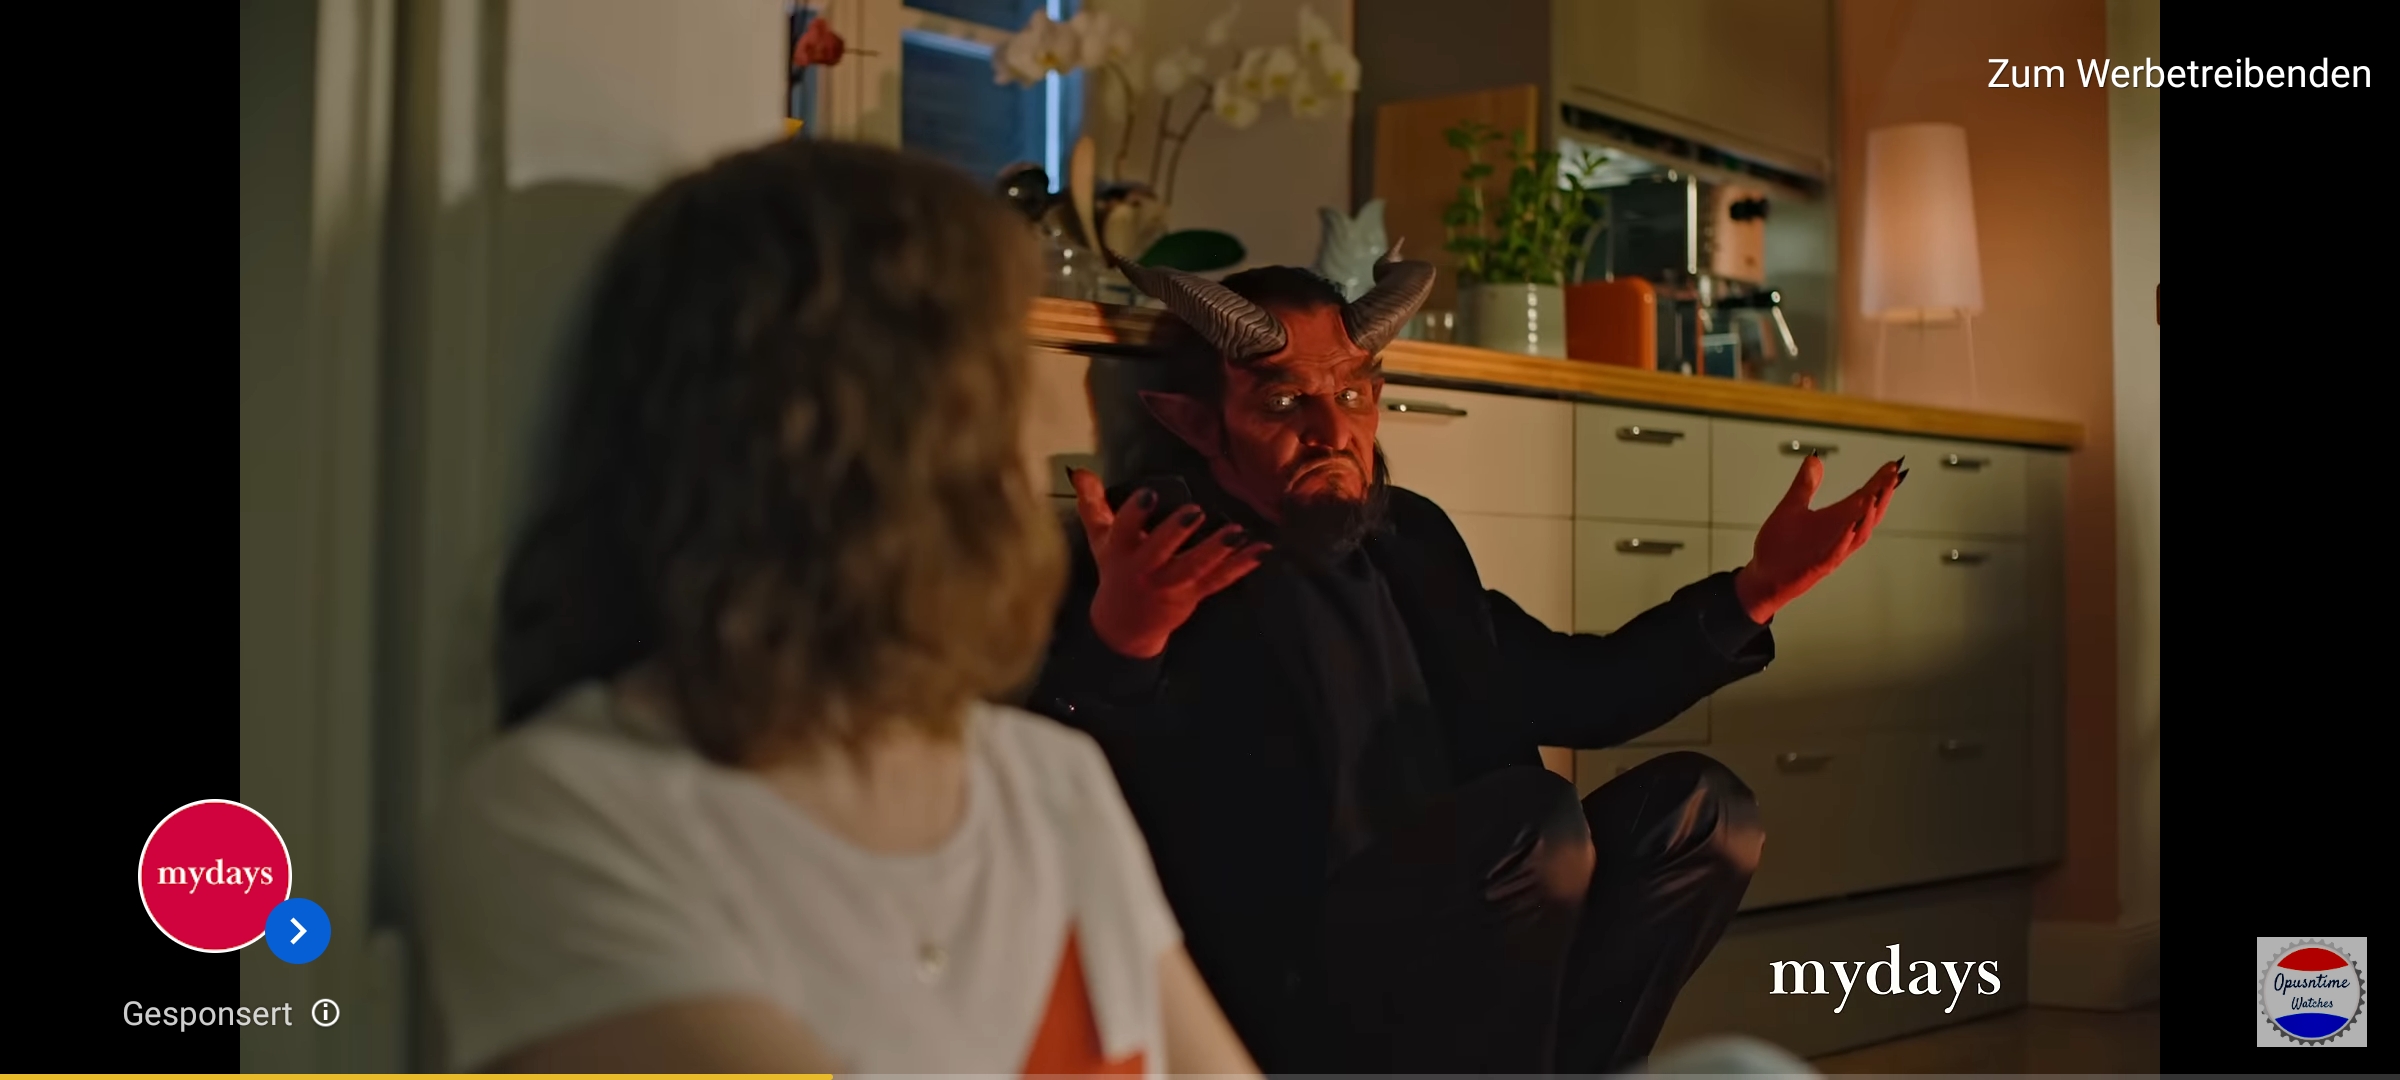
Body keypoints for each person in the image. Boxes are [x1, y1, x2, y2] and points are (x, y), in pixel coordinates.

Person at [419, 138, 1259, 1076]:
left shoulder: (1050, 785)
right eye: (1001, 377)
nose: (1065, 426)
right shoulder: (574, 818)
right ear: (847, 434)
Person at [1027, 248, 1903, 1073]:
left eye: (1354, 395)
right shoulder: (1155, 554)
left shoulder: (1412, 537)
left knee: (1704, 815)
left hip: (1483, 925)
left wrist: (1756, 591)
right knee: (1533, 827)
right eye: (1284, 402)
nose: (1333, 431)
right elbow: (1068, 782)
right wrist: (1125, 642)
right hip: (1299, 974)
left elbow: (1580, 690)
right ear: (1196, 424)